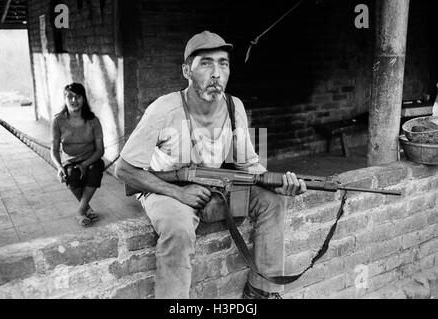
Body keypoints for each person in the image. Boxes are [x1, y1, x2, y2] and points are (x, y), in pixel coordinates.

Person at [115, 31, 307, 299]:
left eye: (223, 63)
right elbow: (123, 169)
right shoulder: (164, 109)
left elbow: (249, 165)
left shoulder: (234, 106)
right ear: (186, 70)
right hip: (166, 188)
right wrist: (178, 192)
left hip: (213, 183)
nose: (216, 73)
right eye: (206, 63)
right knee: (178, 230)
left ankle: (262, 291)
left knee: (273, 200)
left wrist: (278, 182)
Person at [50, 83, 105, 227]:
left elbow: (100, 150)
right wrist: (59, 167)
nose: (74, 100)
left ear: (84, 99)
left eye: (78, 97)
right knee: (71, 176)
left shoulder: (93, 121)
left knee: (95, 170)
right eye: (70, 97)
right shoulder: (58, 121)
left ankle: (80, 212)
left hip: (91, 158)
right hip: (70, 161)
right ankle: (86, 208)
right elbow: (54, 149)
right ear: (64, 99)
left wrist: (85, 164)